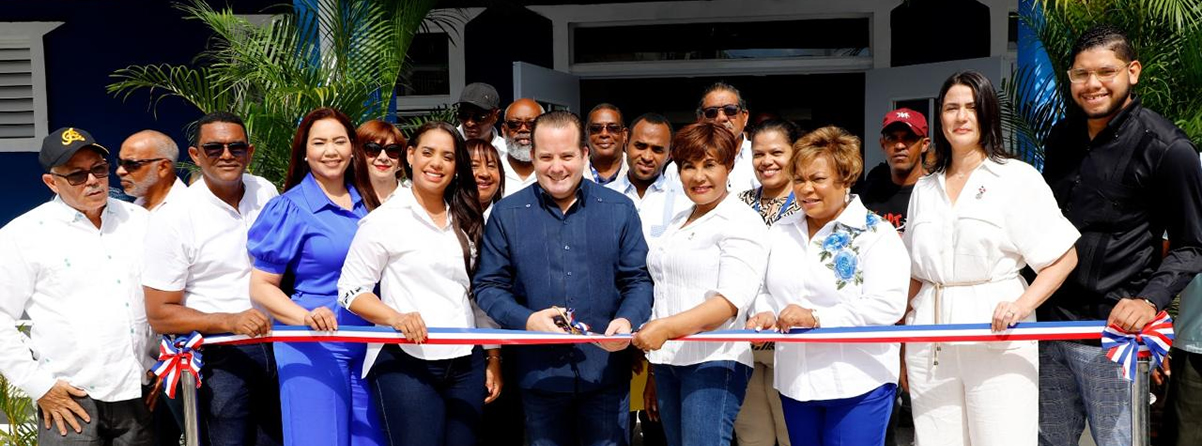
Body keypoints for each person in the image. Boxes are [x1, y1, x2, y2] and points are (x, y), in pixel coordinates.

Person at [1040, 25, 1202, 446]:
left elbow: (1192, 244)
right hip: (1046, 330)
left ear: (1133, 71)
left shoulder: (1168, 148)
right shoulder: (1060, 138)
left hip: (1112, 338)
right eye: (1081, 74)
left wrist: (1148, 300)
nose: (1092, 84)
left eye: (1105, 71)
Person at [904, 71, 1080, 446]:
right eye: (951, 108)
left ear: (987, 115)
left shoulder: (1015, 178)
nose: (961, 117)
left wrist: (1020, 306)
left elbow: (1063, 258)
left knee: (1002, 438)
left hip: (996, 332)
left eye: (971, 107)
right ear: (940, 118)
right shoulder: (924, 186)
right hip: (930, 337)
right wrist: (900, 332)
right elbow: (915, 273)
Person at [474, 110, 654, 446]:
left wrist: (627, 320)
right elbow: (488, 285)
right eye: (546, 157)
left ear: (585, 155)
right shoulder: (506, 213)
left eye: (567, 156)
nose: (557, 167)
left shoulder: (619, 209)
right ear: (533, 157)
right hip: (538, 377)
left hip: (604, 372)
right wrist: (526, 320)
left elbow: (639, 281)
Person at [337, 121, 501, 446]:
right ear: (410, 156)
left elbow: (476, 294)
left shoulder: (467, 218)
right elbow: (351, 291)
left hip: (466, 361)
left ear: (456, 167)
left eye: (447, 156)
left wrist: (493, 358)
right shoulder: (383, 220)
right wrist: (395, 318)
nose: (436, 163)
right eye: (427, 152)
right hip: (404, 361)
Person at [745, 125, 907, 446]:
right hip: (796, 381)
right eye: (800, 179)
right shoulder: (779, 231)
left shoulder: (876, 233)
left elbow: (887, 305)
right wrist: (763, 312)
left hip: (858, 381)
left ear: (845, 179)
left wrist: (817, 317)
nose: (806, 189)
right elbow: (761, 287)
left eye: (817, 179)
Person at [0, 127, 153, 445]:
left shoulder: (140, 222)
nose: (93, 181)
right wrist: (38, 385)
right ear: (51, 182)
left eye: (98, 169)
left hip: (142, 396)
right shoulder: (23, 235)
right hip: (70, 403)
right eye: (77, 175)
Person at [142, 112, 283, 446]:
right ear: (195, 155)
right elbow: (160, 312)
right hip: (218, 356)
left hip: (277, 346)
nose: (226, 155)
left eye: (235, 147)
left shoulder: (266, 191)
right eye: (214, 148)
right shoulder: (174, 217)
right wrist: (230, 321)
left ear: (249, 152)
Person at [246, 107, 382, 446]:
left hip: (372, 344)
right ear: (304, 153)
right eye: (319, 143)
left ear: (353, 148)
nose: (330, 151)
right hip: (313, 341)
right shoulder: (289, 207)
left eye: (339, 141)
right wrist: (305, 317)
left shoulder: (371, 203)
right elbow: (262, 287)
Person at [630, 122, 767, 446]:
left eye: (710, 165)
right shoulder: (681, 218)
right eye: (688, 166)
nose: (698, 176)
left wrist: (664, 329)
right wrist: (655, 361)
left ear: (729, 166)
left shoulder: (741, 220)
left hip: (713, 360)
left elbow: (729, 302)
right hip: (669, 361)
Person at [732, 118, 801, 446]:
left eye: (777, 152)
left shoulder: (810, 202)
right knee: (751, 435)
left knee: (792, 434)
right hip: (744, 337)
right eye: (759, 154)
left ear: (795, 152)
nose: (767, 161)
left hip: (789, 338)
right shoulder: (736, 203)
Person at [605, 113, 690, 246]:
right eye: (640, 146)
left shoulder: (685, 202)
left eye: (657, 150)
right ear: (626, 143)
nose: (647, 156)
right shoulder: (603, 197)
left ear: (670, 154)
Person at [854, 108, 929, 232]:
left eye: (908, 138)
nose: (899, 145)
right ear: (883, 145)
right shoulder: (870, 191)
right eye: (892, 138)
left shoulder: (936, 193)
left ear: (924, 145)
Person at [116, 130, 187, 212]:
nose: (120, 171)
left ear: (163, 167)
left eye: (131, 164)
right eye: (120, 162)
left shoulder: (190, 210)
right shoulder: (136, 206)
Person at [500, 98, 543, 196]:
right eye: (514, 124)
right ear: (503, 130)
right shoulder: (492, 173)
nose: (523, 129)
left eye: (532, 124)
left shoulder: (556, 171)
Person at [357, 119, 407, 202]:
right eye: (373, 149)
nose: (383, 158)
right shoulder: (346, 198)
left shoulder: (414, 200)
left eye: (392, 150)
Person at [457, 82, 507, 157]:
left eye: (479, 116)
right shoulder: (447, 144)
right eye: (464, 115)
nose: (469, 123)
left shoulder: (506, 152)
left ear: (496, 116)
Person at [585, 104, 629, 186]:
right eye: (596, 128)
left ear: (624, 135)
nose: (604, 134)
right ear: (587, 134)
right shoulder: (574, 172)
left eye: (613, 128)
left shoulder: (638, 171)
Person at [468, 139, 505, 219]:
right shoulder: (445, 219)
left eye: (491, 166)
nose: (485, 174)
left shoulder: (510, 219)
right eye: (474, 166)